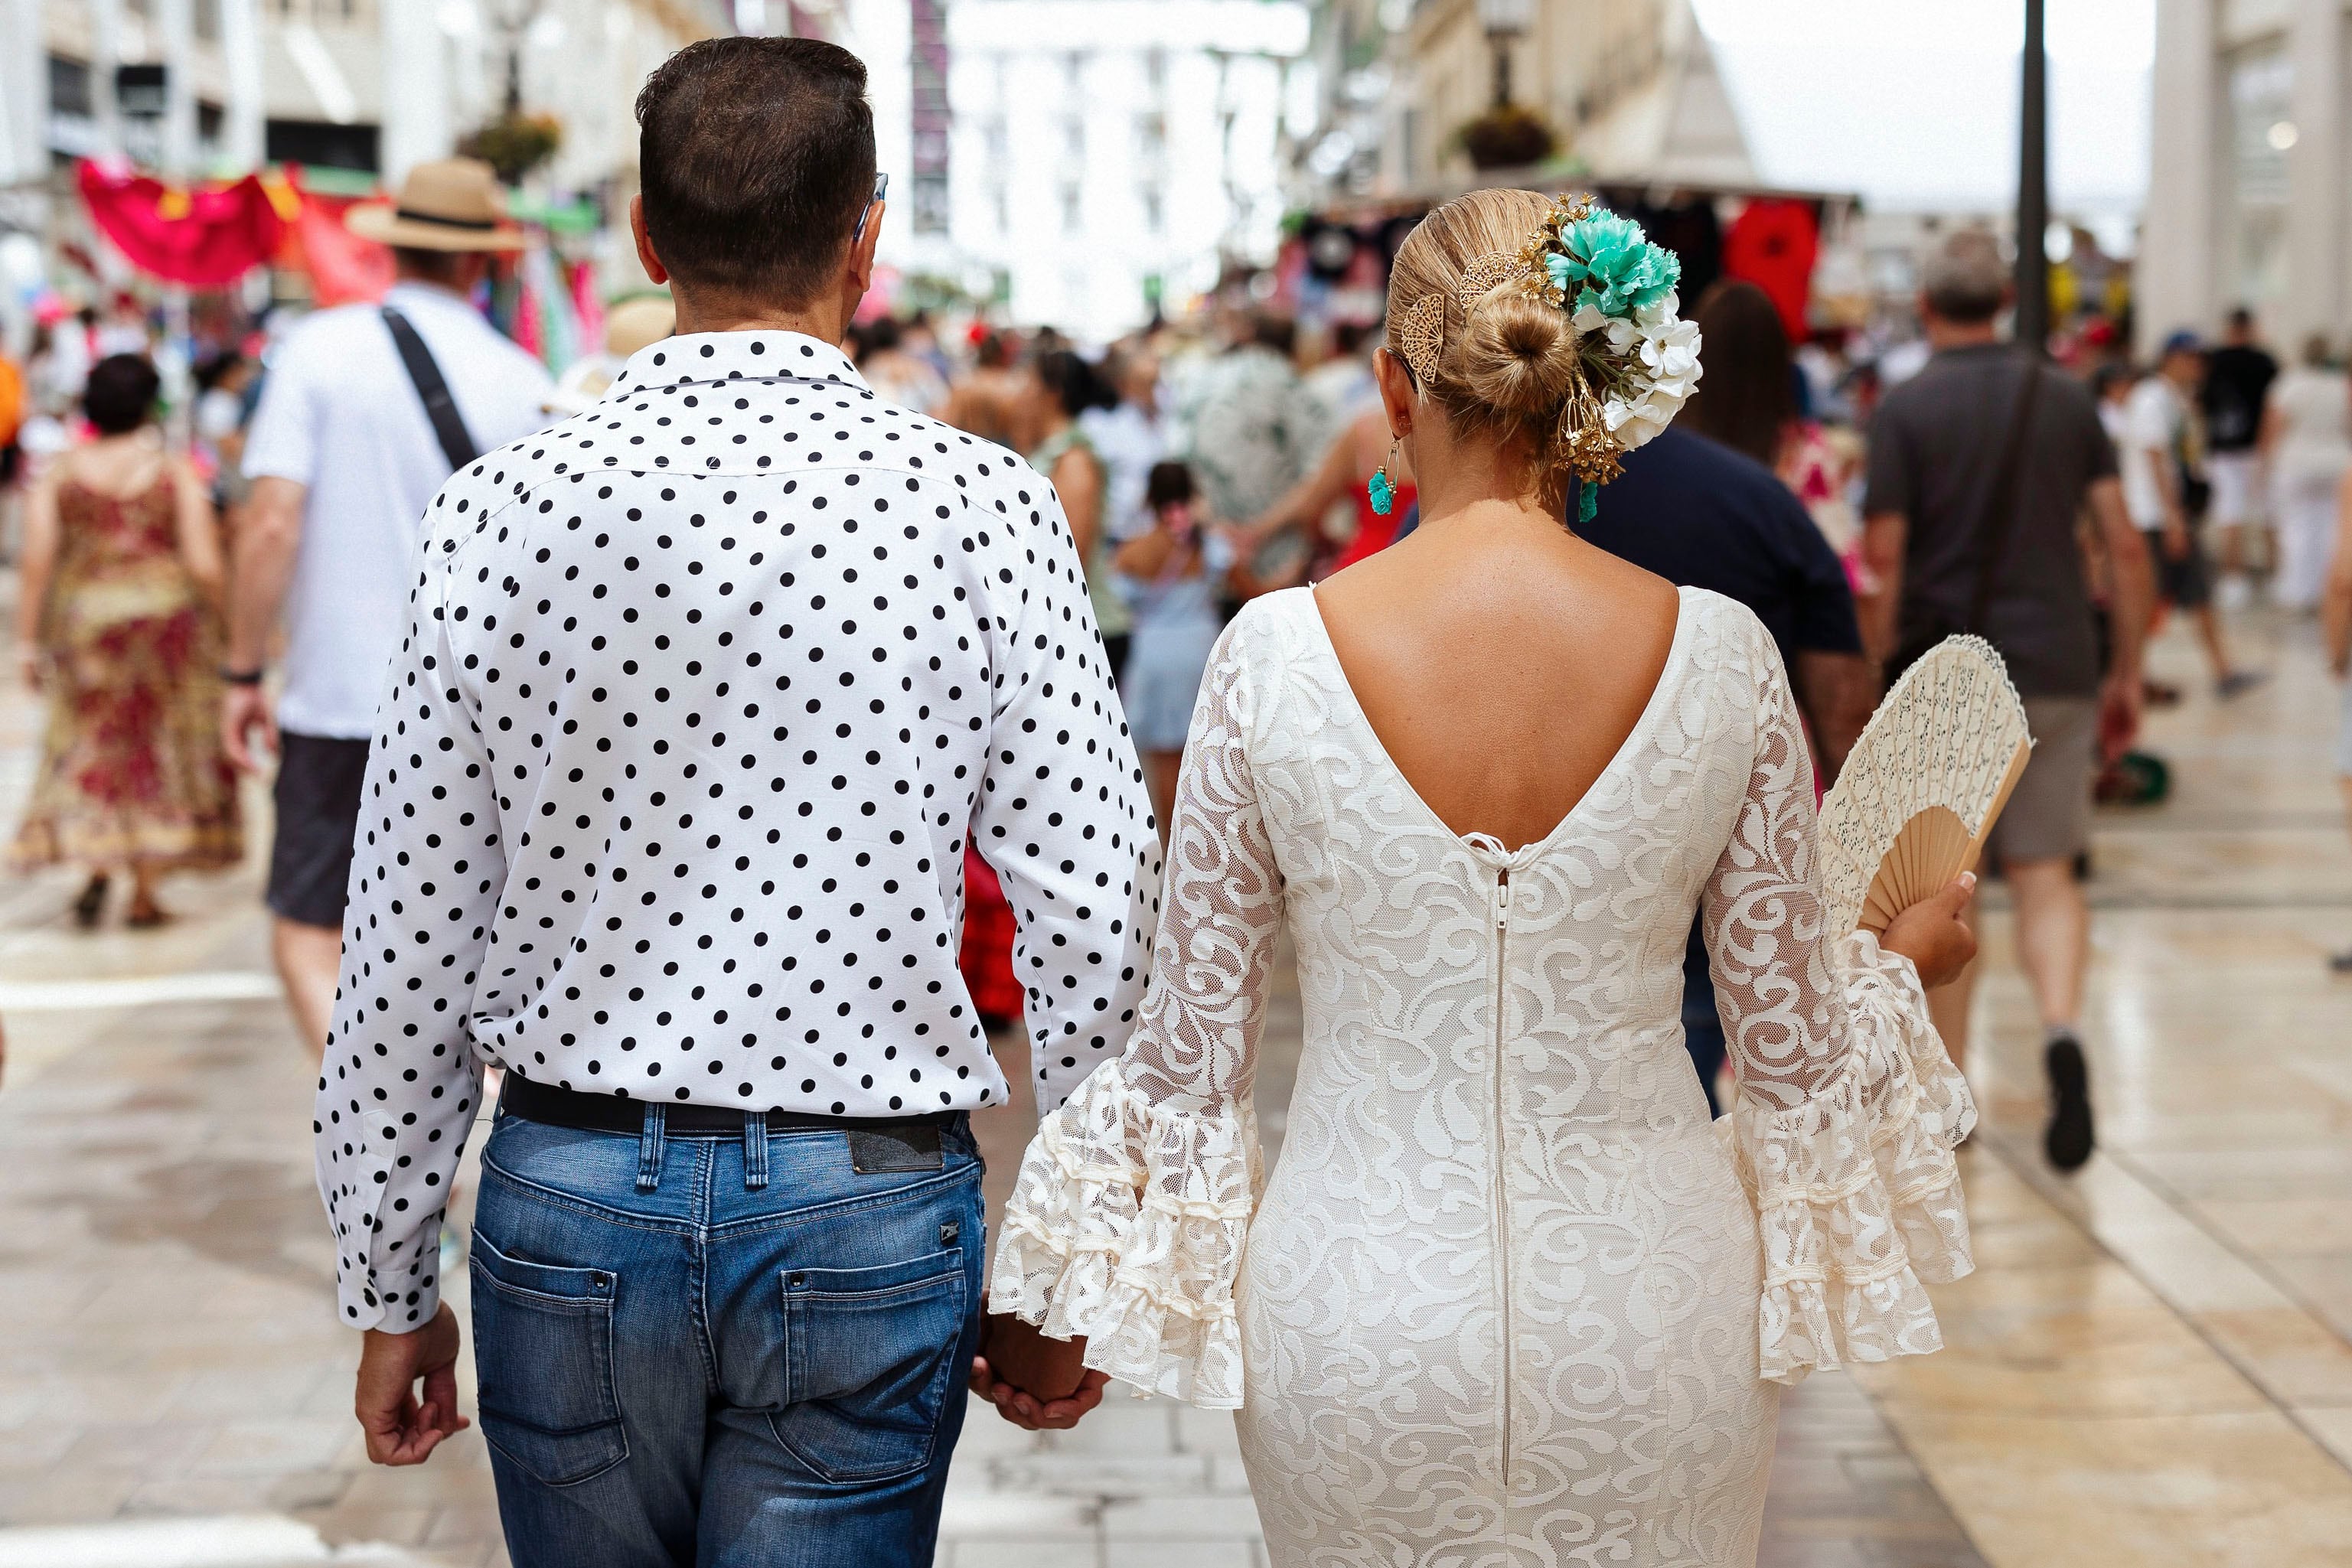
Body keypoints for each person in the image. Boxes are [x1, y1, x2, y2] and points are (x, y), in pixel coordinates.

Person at [984, 186, 1980, 1566]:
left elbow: (1185, 1056)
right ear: (1597, 385)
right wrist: (1904, 958)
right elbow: (1793, 1056)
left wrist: (1050, 1300)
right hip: (1650, 1305)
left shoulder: (1270, 655)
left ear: (1392, 384)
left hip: (1352, 1311)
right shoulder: (1722, 652)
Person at [316, 39, 1156, 1565]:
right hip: (867, 1198)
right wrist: (1077, 1272)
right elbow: (1096, 914)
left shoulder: (499, 509)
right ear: (866, 238)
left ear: (645, 239)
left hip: (570, 1191)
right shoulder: (982, 506)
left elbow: (406, 934)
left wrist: (385, 1280)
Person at [225, 158, 553, 1060]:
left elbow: (270, 523)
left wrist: (243, 668)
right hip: (478, 712)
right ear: (481, 263)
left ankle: (375, 1129)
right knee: (461, 943)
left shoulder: (316, 353)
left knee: (307, 929)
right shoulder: (521, 379)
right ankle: (450, 1128)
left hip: (336, 698)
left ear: (393, 249)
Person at [1860, 228, 2157, 1172]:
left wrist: (1871, 682)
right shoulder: (2067, 400)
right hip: (2060, 662)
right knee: (2048, 873)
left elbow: (1884, 558)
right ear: (2004, 301)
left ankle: (1954, 1093)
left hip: (1949, 683)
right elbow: (2124, 541)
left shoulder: (1903, 410)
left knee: (1951, 886)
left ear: (1926, 306)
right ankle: (2063, 1029)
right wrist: (2127, 669)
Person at [1584, 281, 1877, 1117]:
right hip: (1724, 818)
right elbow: (1839, 692)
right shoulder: (1760, 501)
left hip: (1555, 826)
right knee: (1708, 1025)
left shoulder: (1522, 502)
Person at [9, 354, 241, 925]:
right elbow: (205, 563)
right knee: (156, 747)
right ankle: (143, 890)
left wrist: (27, 643)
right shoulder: (171, 470)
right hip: (165, 625)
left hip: (86, 623)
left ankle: (97, 864)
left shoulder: (61, 474)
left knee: (95, 742)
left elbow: (37, 560)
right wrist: (235, 628)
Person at [2120, 331, 2261, 698]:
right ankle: (2132, 677)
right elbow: (2155, 457)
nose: (2198, 366)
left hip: (2167, 517)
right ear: (2171, 358)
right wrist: (2173, 518)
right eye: (2191, 358)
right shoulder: (2152, 398)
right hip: (2155, 518)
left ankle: (2214, 671)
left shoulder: (2173, 400)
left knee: (2186, 594)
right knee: (2155, 599)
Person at [1113, 461, 1232, 831]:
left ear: (1151, 497)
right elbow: (1249, 585)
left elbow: (1115, 596)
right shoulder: (1209, 546)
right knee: (1210, 759)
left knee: (1165, 766)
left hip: (1155, 658)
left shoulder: (1132, 552)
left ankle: (1175, 848)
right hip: (1201, 653)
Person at [1024, 349, 1130, 670]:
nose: (1019, 393)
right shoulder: (1055, 449)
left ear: (1051, 391)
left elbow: (1070, 557)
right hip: (1062, 625)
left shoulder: (1074, 459)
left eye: (1028, 382)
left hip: (1088, 626)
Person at [1239, 403, 1414, 580]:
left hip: (1362, 571)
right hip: (1428, 576)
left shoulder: (1365, 432)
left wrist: (1255, 531)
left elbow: (1310, 506)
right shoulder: (1441, 439)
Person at [2263, 332, 2349, 611]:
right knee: (2329, 529)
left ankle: (2298, 592)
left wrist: (2266, 462)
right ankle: (2325, 590)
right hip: (2336, 462)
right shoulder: (2340, 385)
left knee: (2297, 528)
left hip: (2297, 462)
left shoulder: (2290, 384)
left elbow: (2274, 425)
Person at [2202, 306, 2280, 607]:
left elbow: (2204, 404)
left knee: (2231, 513)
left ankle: (2234, 578)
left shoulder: (2215, 362)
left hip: (2225, 448)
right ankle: (2274, 575)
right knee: (2266, 512)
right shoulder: (2264, 362)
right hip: (2255, 448)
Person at [1079, 339, 1170, 546]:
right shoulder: (1097, 425)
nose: (1153, 392)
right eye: (1145, 383)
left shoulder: (1166, 418)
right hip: (1117, 542)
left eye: (1156, 382)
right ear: (1122, 384)